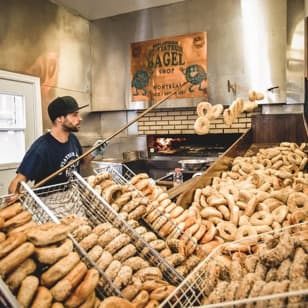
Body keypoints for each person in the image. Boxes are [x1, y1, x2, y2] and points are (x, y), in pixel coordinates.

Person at [8, 96, 106, 194]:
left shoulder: (72, 139)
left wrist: (94, 152)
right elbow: (16, 183)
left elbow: (80, 164)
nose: (80, 118)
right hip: (49, 203)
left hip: (71, 198)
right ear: (60, 118)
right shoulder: (41, 148)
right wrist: (15, 195)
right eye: (74, 115)